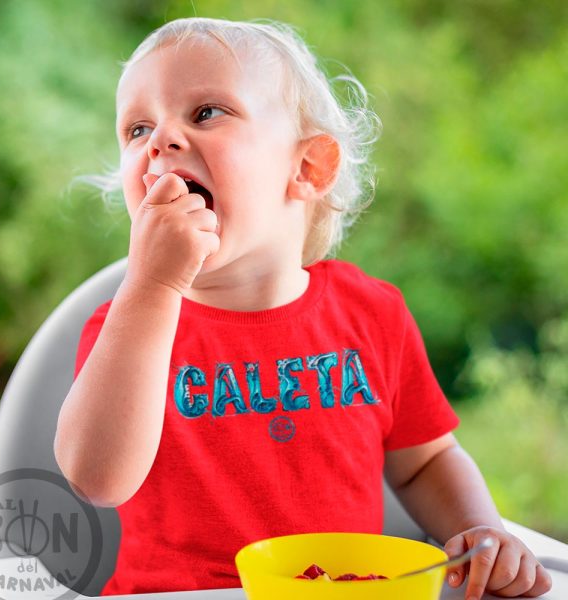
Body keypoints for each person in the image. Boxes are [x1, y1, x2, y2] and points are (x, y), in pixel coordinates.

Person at [54, 17, 552, 600]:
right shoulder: (129, 327)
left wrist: (479, 531)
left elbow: (425, 461)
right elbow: (96, 479)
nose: (160, 140)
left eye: (206, 112)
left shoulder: (372, 315)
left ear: (308, 168)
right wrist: (151, 287)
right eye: (137, 128)